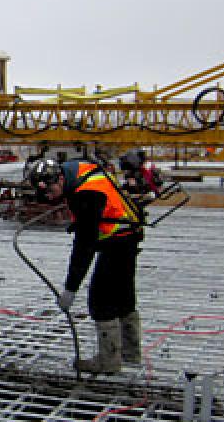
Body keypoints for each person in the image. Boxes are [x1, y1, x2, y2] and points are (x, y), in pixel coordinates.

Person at [28, 157, 144, 374]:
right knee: (123, 296)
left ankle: (108, 362)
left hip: (117, 240)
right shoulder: (80, 174)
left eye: (51, 190)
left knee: (101, 300)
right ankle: (131, 354)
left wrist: (70, 288)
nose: (49, 197)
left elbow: (84, 246)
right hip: (128, 234)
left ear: (60, 179)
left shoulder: (86, 194)